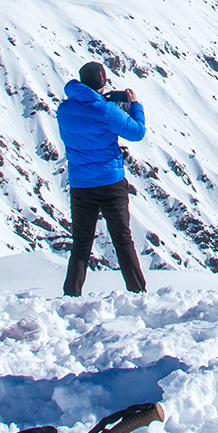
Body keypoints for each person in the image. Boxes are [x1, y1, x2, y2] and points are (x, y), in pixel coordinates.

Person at [57, 60, 148, 295]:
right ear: (103, 82)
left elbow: (84, 118)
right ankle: (137, 292)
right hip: (109, 182)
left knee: (81, 244)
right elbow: (137, 132)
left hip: (80, 184)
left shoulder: (64, 109)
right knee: (122, 239)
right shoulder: (106, 111)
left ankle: (71, 294)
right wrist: (135, 105)